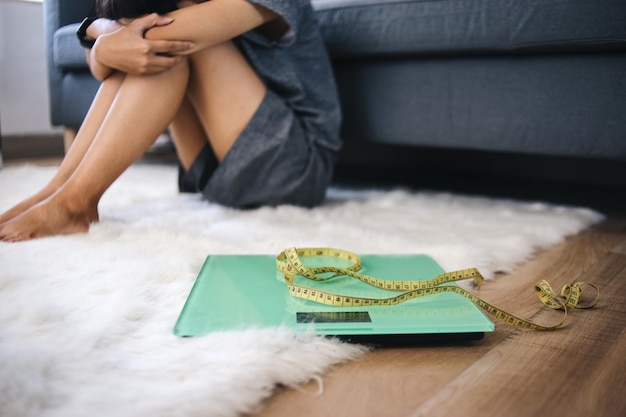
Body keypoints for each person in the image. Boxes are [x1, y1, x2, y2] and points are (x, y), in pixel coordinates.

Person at [0, 0, 341, 242]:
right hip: (214, 173)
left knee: (166, 45)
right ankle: (60, 190)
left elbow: (148, 38)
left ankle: (74, 204)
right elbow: (104, 63)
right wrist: (104, 42)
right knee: (147, 50)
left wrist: (101, 40)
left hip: (295, 171)